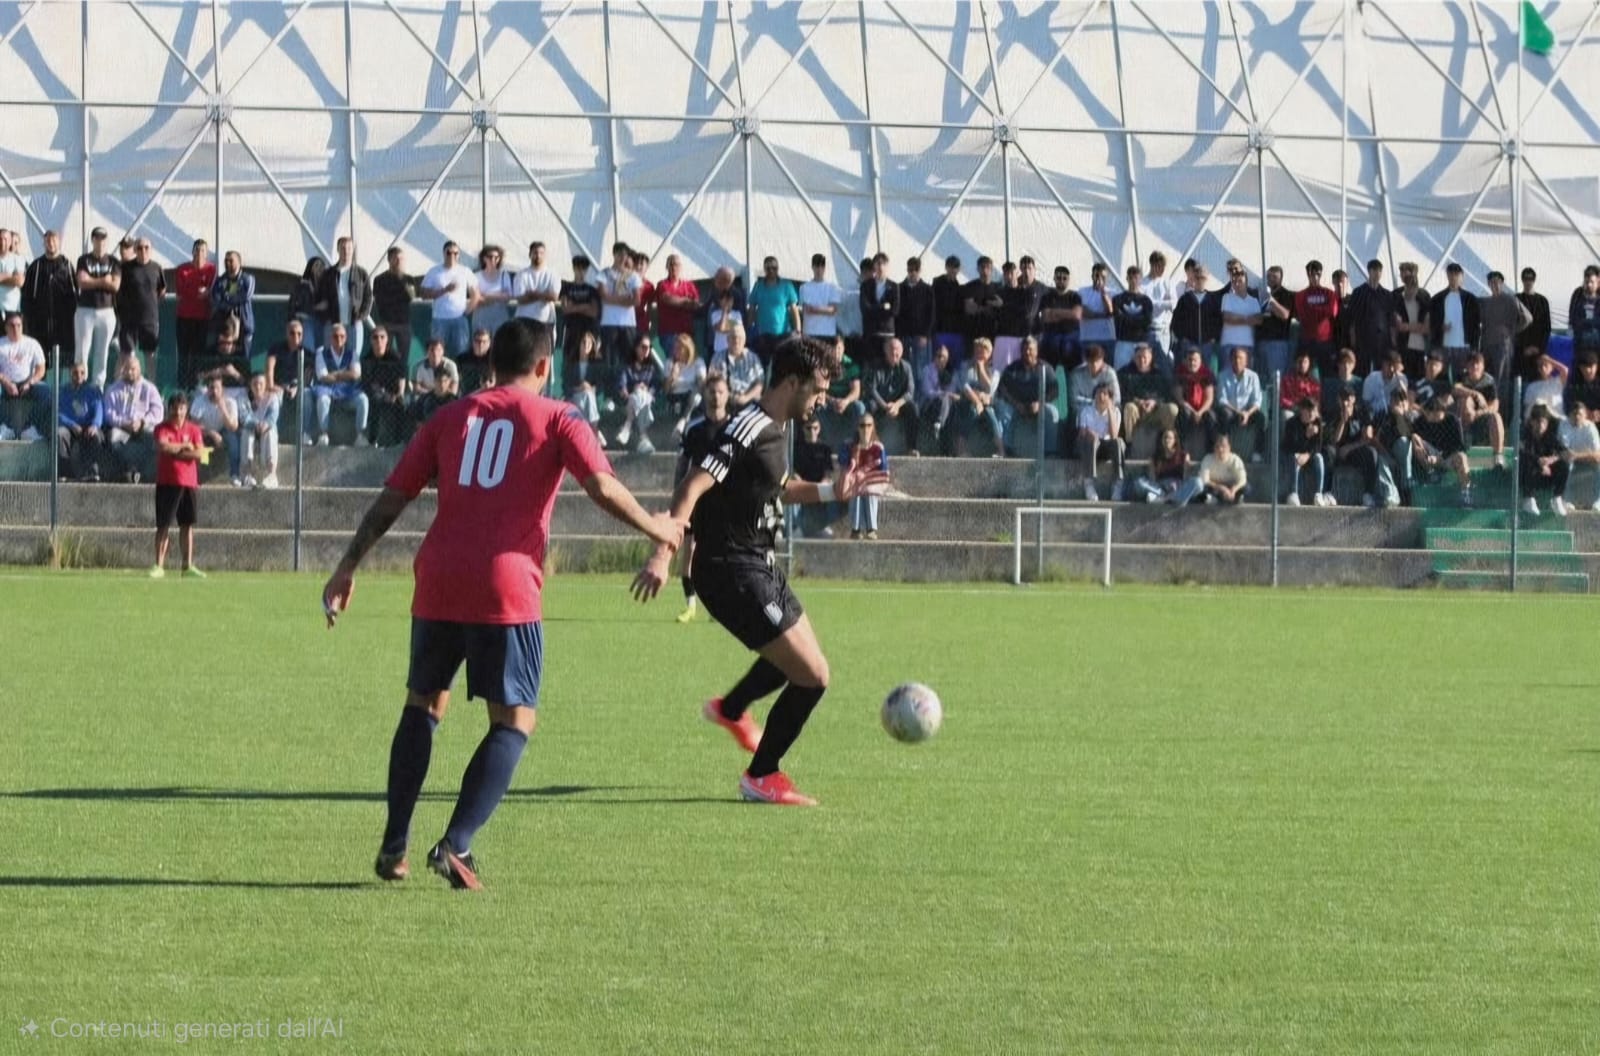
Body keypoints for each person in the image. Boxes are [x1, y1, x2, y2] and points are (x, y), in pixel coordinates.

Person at [321, 318, 683, 890]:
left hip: (438, 578)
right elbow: (602, 487)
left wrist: (347, 566)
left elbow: (392, 498)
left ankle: (395, 843)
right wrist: (657, 529)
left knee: (423, 705)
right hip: (505, 584)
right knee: (514, 720)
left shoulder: (447, 416)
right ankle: (456, 845)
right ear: (545, 366)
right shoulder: (559, 416)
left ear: (491, 366)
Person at [629, 336, 888, 807]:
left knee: (803, 663)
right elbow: (692, 485)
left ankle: (731, 710)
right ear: (791, 382)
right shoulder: (751, 426)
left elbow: (779, 487)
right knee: (812, 676)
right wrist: (663, 554)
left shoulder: (775, 428)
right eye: (817, 390)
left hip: (760, 566)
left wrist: (835, 492)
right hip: (730, 570)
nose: (821, 401)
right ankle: (761, 776)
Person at [674, 373, 733, 620]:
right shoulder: (695, 428)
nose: (716, 395)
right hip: (696, 502)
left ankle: (720, 607)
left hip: (726, 501)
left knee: (726, 557)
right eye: (711, 391)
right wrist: (678, 496)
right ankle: (691, 606)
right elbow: (682, 464)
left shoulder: (735, 427)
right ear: (705, 394)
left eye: (720, 391)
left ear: (727, 394)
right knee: (689, 555)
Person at [151, 391, 206, 578]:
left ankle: (187, 566)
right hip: (167, 483)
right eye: (175, 408)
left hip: (189, 483)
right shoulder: (161, 428)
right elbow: (162, 447)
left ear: (186, 409)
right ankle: (159, 566)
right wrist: (184, 447)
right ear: (169, 409)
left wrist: (175, 451)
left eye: (181, 408)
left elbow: (200, 454)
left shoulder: (194, 430)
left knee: (187, 525)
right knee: (163, 525)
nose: (178, 412)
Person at [308, 323, 370, 447]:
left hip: (348, 393)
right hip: (328, 391)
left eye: (342, 336)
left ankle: (360, 436)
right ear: (331, 338)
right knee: (322, 400)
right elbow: (323, 377)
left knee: (363, 399)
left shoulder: (352, 353)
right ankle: (324, 434)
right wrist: (345, 374)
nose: (339, 339)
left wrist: (335, 374)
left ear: (346, 338)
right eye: (335, 336)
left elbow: (356, 375)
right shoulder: (321, 352)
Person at [103, 353, 163, 482]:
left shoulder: (150, 388)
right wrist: (124, 423)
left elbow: (158, 412)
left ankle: (145, 474)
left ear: (139, 369)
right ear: (122, 370)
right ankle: (130, 469)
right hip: (121, 428)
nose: (130, 372)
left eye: (133, 369)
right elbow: (109, 413)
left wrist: (142, 422)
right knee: (113, 437)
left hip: (143, 427)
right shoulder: (113, 389)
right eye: (127, 369)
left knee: (155, 439)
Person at [21, 229, 77, 366]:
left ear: (59, 242)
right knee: (41, 360)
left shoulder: (67, 265)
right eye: (48, 241)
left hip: (63, 322)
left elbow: (74, 294)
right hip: (40, 323)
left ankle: (63, 386)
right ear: (44, 243)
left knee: (65, 359)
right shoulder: (36, 266)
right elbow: (27, 295)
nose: (51, 244)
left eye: (53, 241)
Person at [996, 336, 1059, 456]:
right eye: (1025, 349)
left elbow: (1054, 391)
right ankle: (1006, 449)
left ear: (1036, 351)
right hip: (1016, 405)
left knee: (1052, 412)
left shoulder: (1046, 368)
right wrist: (1016, 404)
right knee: (1003, 410)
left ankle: (1050, 452)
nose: (1027, 352)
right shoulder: (1012, 368)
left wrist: (1040, 403)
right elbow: (1003, 390)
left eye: (1030, 349)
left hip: (1039, 405)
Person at [75, 227, 121, 389]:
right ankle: (79, 384)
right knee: (82, 351)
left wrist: (92, 280)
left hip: (107, 311)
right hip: (85, 310)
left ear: (107, 241)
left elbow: (115, 285)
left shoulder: (114, 261)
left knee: (102, 353)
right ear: (92, 240)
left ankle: (97, 388)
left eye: (103, 238)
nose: (100, 242)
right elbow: (82, 282)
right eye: (97, 238)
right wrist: (104, 281)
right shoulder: (84, 259)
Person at [117, 236, 165, 383]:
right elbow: (118, 290)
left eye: (146, 247)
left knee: (150, 356)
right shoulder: (125, 268)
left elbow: (162, 289)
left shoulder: (156, 267)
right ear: (135, 250)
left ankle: (152, 387)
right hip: (129, 320)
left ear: (151, 250)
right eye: (139, 248)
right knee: (125, 355)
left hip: (149, 319)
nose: (143, 251)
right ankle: (117, 385)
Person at [317, 237, 374, 359]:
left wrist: (361, 316)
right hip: (332, 324)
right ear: (337, 250)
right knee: (331, 357)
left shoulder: (361, 273)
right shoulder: (328, 274)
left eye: (349, 248)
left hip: (354, 323)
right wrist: (326, 316)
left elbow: (368, 297)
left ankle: (351, 378)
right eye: (343, 248)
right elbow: (321, 296)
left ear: (353, 250)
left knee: (353, 358)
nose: (346, 251)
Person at [1412, 395, 1474, 507]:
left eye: (1438, 413)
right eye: (1430, 413)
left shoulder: (1453, 421)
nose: (1434, 417)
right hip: (1430, 454)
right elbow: (1412, 435)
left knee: (1462, 458)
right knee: (1415, 438)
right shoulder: (1420, 421)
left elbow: (1459, 446)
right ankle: (1431, 473)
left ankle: (1466, 493)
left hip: (1448, 456)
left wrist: (1439, 458)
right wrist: (1420, 449)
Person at [421, 242, 479, 358]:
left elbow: (475, 294)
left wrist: (466, 311)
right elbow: (423, 294)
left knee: (462, 354)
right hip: (439, 319)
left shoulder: (465, 271)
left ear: (459, 255)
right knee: (437, 354)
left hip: (459, 320)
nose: (452, 255)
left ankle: (459, 376)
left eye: (455, 253)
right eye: (449, 252)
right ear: (443, 253)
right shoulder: (434, 271)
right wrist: (445, 290)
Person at [0, 312, 49, 441]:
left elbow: (41, 369)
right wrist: (5, 381)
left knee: (48, 392)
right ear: (6, 327)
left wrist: (30, 382)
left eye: (18, 325)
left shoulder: (32, 343)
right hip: (4, 384)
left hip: (28, 383)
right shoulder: (1, 343)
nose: (15, 329)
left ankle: (30, 428)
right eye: (12, 325)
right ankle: (5, 427)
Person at [614, 332, 665, 453]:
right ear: (636, 347)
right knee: (637, 394)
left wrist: (646, 390)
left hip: (647, 400)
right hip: (630, 401)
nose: (646, 350)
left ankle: (628, 425)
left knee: (641, 395)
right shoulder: (627, 366)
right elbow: (622, 385)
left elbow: (656, 386)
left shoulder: (651, 368)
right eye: (643, 347)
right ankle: (643, 437)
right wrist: (634, 390)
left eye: (649, 348)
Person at [1452, 352, 1504, 467]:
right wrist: (1475, 394)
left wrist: (1479, 413)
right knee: (1465, 400)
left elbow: (1495, 405)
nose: (1475, 367)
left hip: (1482, 420)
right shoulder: (1462, 377)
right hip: (1463, 420)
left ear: (1483, 366)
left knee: (1496, 417)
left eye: (1478, 363)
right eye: (1471, 364)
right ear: (1467, 366)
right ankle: (1464, 442)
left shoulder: (1489, 381)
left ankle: (1498, 456)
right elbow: (1455, 389)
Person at [868, 337, 918, 454]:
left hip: (897, 404)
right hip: (881, 403)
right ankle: (868, 445)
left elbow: (910, 391)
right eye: (891, 349)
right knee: (869, 407)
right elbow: (871, 389)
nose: (894, 352)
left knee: (912, 408)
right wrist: (885, 406)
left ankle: (912, 447)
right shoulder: (876, 366)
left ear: (901, 352)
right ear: (885, 351)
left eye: (897, 350)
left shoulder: (906, 367)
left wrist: (897, 405)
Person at [55, 360, 104, 481]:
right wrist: (72, 425)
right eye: (75, 373)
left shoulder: (93, 390)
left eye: (82, 373)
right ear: (70, 373)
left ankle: (92, 472)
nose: (79, 376)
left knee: (96, 436)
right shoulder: (63, 391)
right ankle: (65, 473)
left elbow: (99, 411)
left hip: (88, 427)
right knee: (60, 434)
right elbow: (58, 413)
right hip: (70, 428)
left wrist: (94, 425)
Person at [1075, 381, 1125, 500]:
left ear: (1110, 397)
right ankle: (1089, 483)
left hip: (1105, 445)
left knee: (1119, 442)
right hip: (1089, 445)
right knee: (1091, 441)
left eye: (1104, 394)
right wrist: (1089, 432)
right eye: (1098, 393)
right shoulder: (1086, 410)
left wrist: (1110, 411)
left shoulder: (1116, 412)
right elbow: (1081, 433)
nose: (1101, 397)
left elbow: (1113, 435)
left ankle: (1118, 484)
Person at [190, 374, 243, 485]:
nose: (214, 391)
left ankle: (234, 475)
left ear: (222, 389)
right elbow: (192, 426)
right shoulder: (199, 401)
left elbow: (233, 427)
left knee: (233, 439)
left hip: (224, 430)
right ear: (207, 389)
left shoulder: (230, 402)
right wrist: (211, 433)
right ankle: (202, 475)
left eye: (217, 388)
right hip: (205, 432)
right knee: (201, 444)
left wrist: (223, 408)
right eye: (211, 388)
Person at [362, 325, 410, 447]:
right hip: (375, 393)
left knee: (402, 404)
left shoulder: (396, 357)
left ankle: (399, 442)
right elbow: (369, 384)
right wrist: (384, 395)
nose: (379, 341)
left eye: (382, 337)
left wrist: (398, 394)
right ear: (371, 341)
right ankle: (373, 441)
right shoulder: (367, 359)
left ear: (387, 340)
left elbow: (402, 378)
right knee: (375, 402)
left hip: (393, 394)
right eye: (375, 338)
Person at [1519, 405, 1570, 517]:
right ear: (1532, 422)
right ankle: (1528, 499)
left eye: (1544, 423)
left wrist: (1550, 460)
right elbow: (1522, 453)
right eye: (1538, 422)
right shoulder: (1524, 435)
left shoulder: (1550, 437)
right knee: (1526, 462)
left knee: (1564, 465)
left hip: (1545, 475)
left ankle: (1557, 497)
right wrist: (1539, 462)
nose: (1541, 426)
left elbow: (1565, 453)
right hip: (1527, 476)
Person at [957, 337, 1004, 456]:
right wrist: (977, 400)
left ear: (989, 354)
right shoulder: (966, 366)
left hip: (987, 404)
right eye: (977, 352)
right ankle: (961, 449)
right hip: (967, 401)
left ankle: (1000, 450)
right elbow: (965, 386)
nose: (979, 355)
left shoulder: (995, 371)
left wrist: (981, 368)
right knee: (972, 410)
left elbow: (989, 389)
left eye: (982, 353)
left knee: (990, 413)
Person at [561, 330, 609, 446]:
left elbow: (600, 386)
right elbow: (566, 386)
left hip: (590, 398)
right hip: (574, 397)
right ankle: (595, 432)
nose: (586, 346)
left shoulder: (596, 366)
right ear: (579, 345)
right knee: (586, 396)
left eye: (589, 343)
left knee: (588, 395)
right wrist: (580, 388)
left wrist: (591, 388)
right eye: (584, 342)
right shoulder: (571, 365)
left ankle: (591, 432)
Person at [844, 414, 888, 539]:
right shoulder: (851, 446)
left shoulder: (878, 447)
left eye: (869, 425)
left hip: (873, 481)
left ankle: (871, 529)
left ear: (873, 427)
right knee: (856, 491)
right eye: (862, 426)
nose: (865, 429)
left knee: (869, 492)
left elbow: (883, 469)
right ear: (858, 428)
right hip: (855, 481)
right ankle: (856, 529)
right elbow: (845, 464)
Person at [1174, 433, 1249, 505]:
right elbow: (1204, 480)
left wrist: (1233, 490)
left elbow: (1242, 479)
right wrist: (1221, 488)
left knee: (1246, 488)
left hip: (1231, 487)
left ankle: (1233, 498)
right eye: (1217, 446)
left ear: (1229, 447)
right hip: (1214, 487)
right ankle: (1213, 499)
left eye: (1223, 446)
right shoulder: (1208, 459)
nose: (1220, 449)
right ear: (1214, 448)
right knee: (1202, 489)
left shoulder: (1235, 460)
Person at [1280, 397, 1325, 506]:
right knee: (1295, 457)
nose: (1311, 414)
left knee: (1319, 458)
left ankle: (1318, 493)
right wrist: (1306, 436)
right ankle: (1293, 492)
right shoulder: (1292, 423)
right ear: (1302, 410)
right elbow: (1290, 446)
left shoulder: (1318, 423)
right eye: (1309, 410)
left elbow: (1318, 447)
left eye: (1314, 411)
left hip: (1309, 455)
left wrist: (1308, 455)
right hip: (1293, 455)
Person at [210, 251, 256, 357]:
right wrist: (230, 299)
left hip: (244, 325)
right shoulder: (220, 280)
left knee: (244, 356)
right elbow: (215, 298)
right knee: (221, 355)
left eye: (231, 260)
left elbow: (245, 295)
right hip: (224, 325)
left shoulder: (247, 279)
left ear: (239, 262)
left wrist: (226, 297)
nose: (228, 263)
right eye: (226, 260)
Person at [373, 246, 416, 361]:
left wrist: (402, 280)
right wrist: (397, 297)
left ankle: (402, 378)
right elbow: (380, 300)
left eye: (402, 259)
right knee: (385, 355)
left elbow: (411, 297)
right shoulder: (380, 279)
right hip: (387, 323)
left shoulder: (409, 279)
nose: (399, 262)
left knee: (404, 357)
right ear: (389, 260)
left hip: (404, 323)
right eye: (396, 259)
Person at [240, 371, 281, 489]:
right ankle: (247, 475)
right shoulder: (244, 399)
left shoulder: (272, 398)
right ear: (251, 385)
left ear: (266, 384)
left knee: (271, 431)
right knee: (246, 432)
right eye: (255, 384)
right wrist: (257, 424)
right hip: (252, 430)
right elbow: (244, 418)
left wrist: (266, 424)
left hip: (266, 429)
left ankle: (272, 475)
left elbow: (273, 416)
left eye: (261, 384)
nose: (258, 387)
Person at [918, 343, 960, 455]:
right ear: (934, 357)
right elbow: (928, 392)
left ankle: (941, 428)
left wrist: (947, 395)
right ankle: (939, 423)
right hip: (929, 405)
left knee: (950, 403)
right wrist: (945, 393)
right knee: (945, 398)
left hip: (947, 407)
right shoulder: (927, 370)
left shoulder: (952, 372)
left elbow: (954, 390)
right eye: (939, 356)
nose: (941, 359)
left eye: (944, 357)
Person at [1131, 427, 1191, 503]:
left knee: (1196, 483)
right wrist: (1162, 487)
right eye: (1165, 437)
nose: (1167, 440)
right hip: (1160, 487)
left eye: (1169, 438)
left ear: (1175, 440)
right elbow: (1153, 480)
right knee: (1139, 483)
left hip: (1177, 486)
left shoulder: (1183, 455)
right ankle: (1166, 496)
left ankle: (1169, 497)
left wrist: (1176, 486)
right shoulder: (1155, 458)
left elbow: (1185, 478)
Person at [409, 338, 460, 428]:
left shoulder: (451, 365)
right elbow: (416, 388)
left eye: (438, 350)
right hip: (425, 398)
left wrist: (439, 392)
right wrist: (434, 392)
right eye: (432, 350)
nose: (435, 353)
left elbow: (453, 390)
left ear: (443, 351)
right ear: (427, 352)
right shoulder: (417, 367)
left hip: (446, 398)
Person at [664, 333, 706, 439]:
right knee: (693, 396)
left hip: (692, 397)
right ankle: (683, 421)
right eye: (675, 348)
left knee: (696, 394)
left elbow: (702, 384)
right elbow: (666, 390)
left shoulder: (698, 362)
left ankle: (682, 421)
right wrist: (672, 376)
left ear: (687, 349)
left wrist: (700, 378)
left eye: (679, 348)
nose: (676, 351)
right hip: (676, 396)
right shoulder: (669, 363)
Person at [711, 323, 763, 409]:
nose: (736, 341)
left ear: (744, 341)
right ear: (727, 340)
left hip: (750, 400)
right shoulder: (717, 358)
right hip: (725, 402)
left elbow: (759, 384)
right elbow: (713, 383)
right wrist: (730, 397)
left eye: (739, 338)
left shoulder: (753, 358)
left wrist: (746, 398)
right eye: (733, 337)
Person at [1561, 403, 1600, 511]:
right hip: (1571, 462)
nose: (1577, 417)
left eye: (1580, 414)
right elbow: (1565, 452)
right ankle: (1567, 501)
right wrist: (1573, 456)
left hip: (1588, 462)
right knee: (1566, 463)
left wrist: (1577, 455)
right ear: (1569, 415)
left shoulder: (1591, 428)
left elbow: (1598, 455)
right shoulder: (1563, 426)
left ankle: (1598, 502)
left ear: (1585, 416)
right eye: (1574, 414)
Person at [470, 244, 514, 336]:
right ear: (484, 258)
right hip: (481, 317)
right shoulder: (476, 276)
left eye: (496, 257)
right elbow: (476, 300)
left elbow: (508, 297)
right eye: (490, 257)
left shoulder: (504, 275)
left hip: (500, 316)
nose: (493, 260)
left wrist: (486, 296)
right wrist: (499, 295)